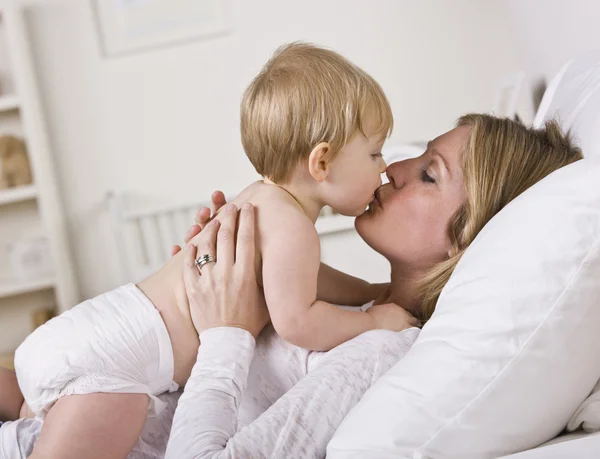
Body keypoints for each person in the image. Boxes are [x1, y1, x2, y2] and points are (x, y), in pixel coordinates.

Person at [0, 114, 582, 458]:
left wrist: (224, 333)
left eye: (428, 174)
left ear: (469, 237)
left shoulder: (380, 350)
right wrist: (202, 277)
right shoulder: (357, 303)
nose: (392, 169)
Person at [9, 42, 417, 459]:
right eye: (374, 152)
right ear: (322, 162)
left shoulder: (261, 198)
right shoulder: (294, 228)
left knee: (34, 415)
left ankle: (26, 406)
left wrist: (369, 288)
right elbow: (298, 320)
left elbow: (308, 278)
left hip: (89, 330)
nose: (384, 166)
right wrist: (372, 322)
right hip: (114, 373)